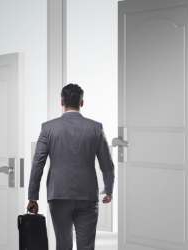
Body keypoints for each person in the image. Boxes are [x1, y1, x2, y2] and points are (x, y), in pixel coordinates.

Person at [27, 83, 115, 250]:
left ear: (62, 102)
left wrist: (33, 196)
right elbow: (107, 165)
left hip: (58, 195)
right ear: (82, 103)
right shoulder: (96, 128)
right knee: (86, 247)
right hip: (87, 195)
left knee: (63, 245)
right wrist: (109, 189)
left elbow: (37, 163)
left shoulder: (48, 128)